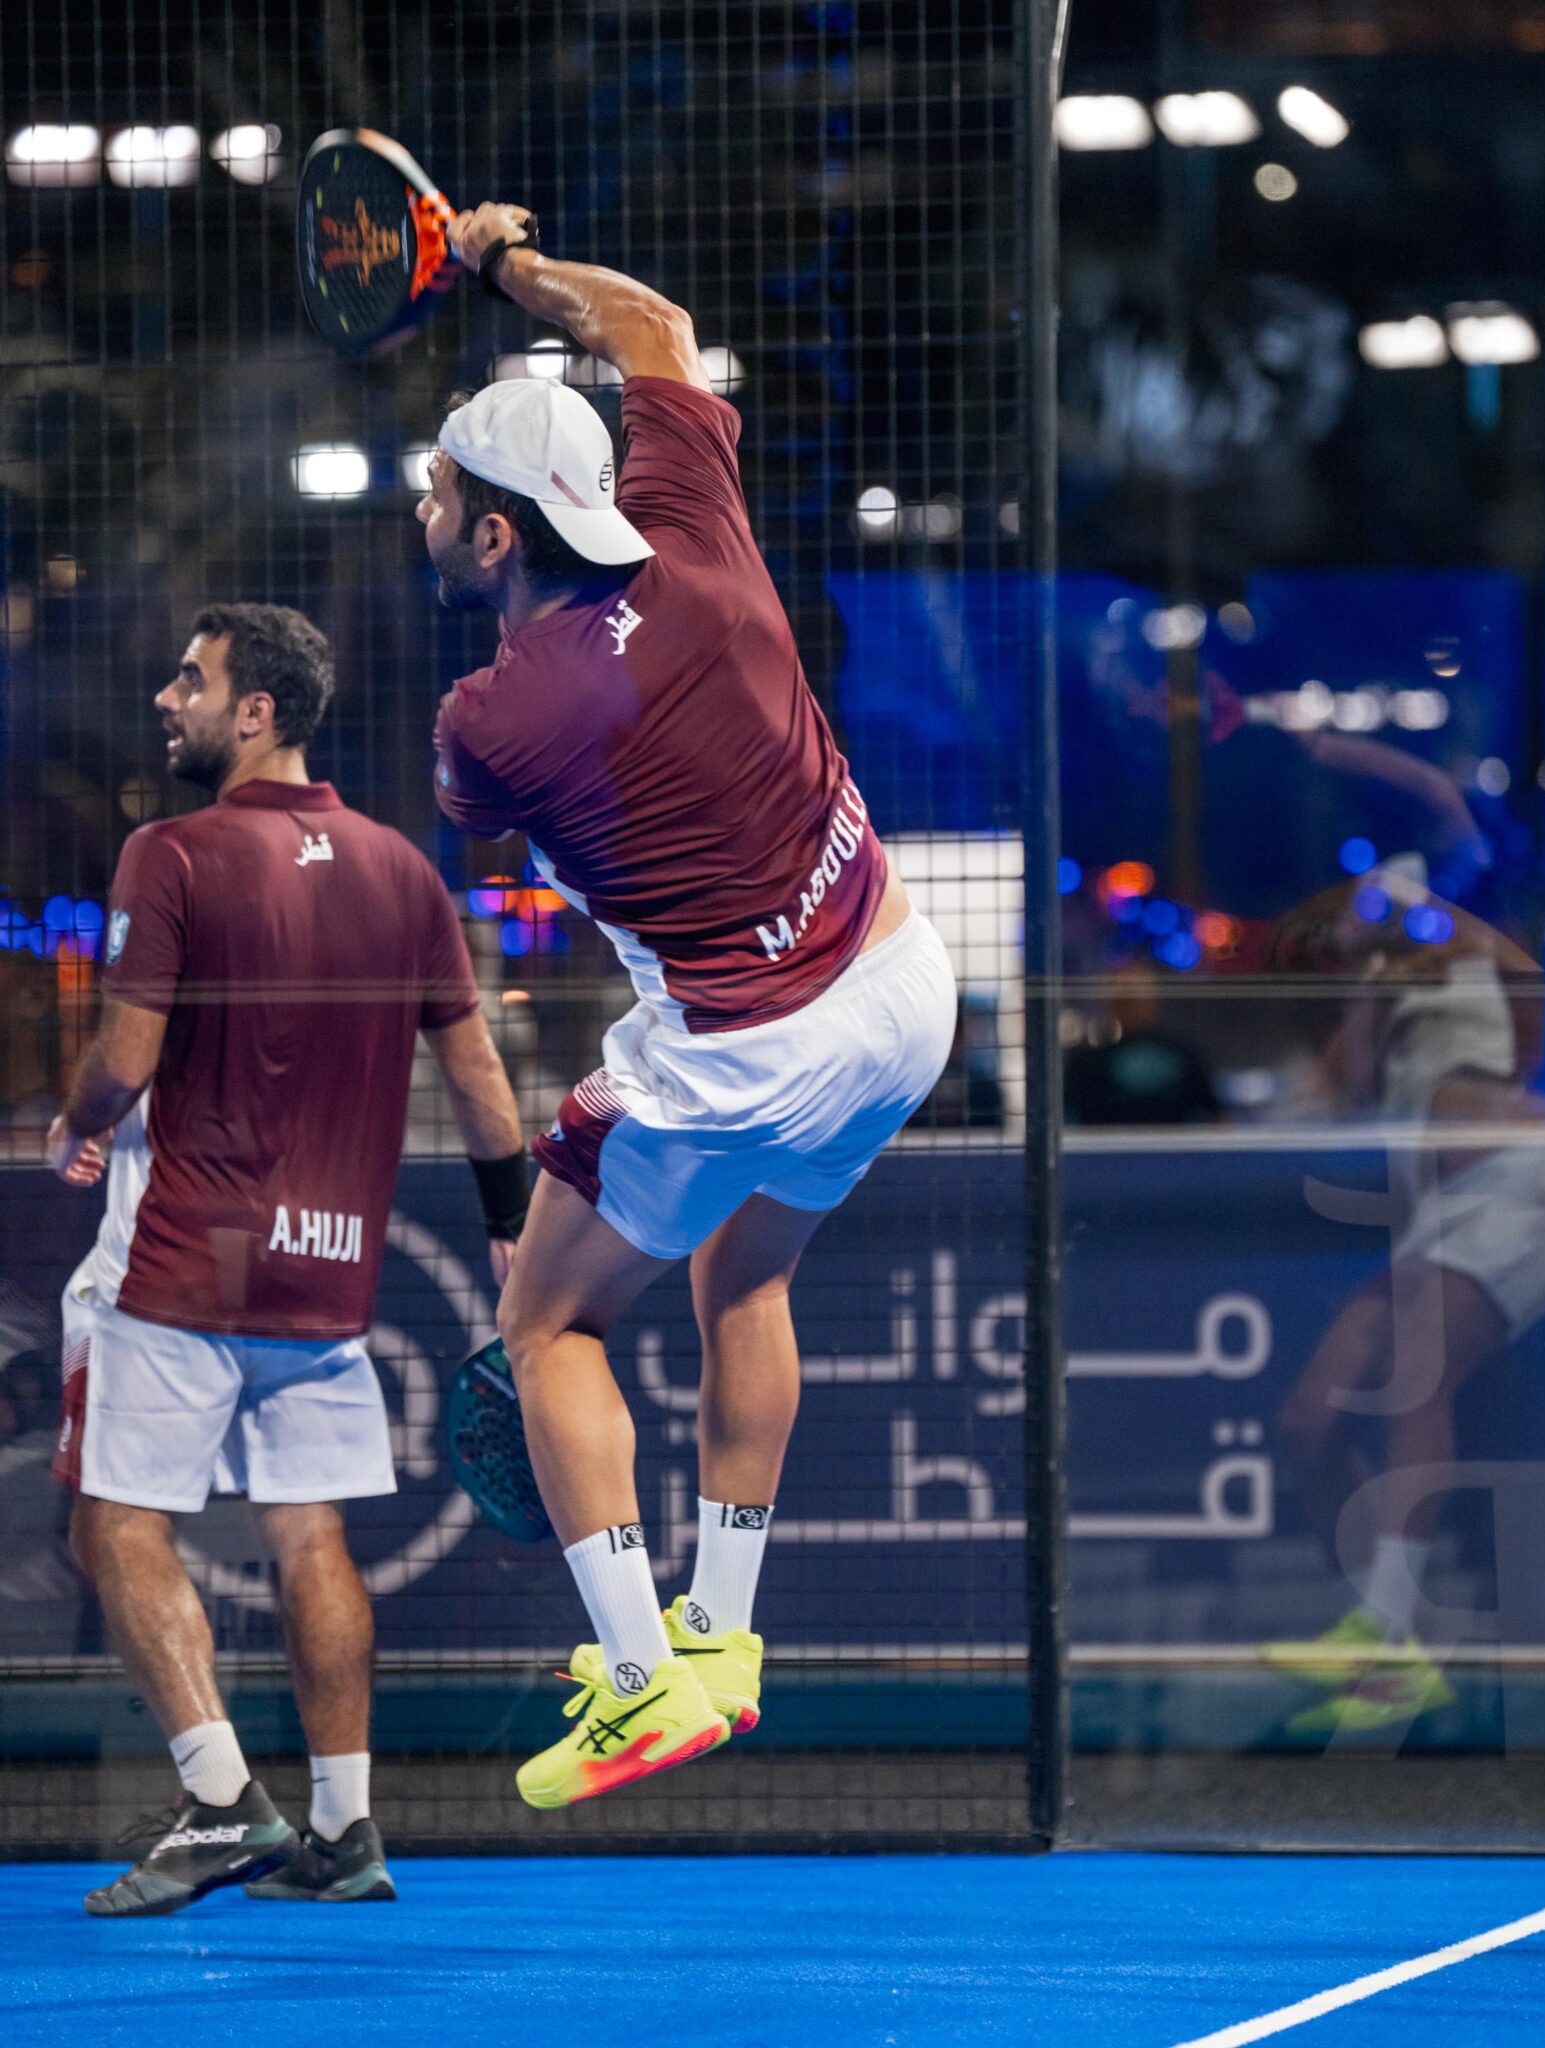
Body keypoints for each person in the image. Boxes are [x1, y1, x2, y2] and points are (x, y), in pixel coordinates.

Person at [419, 206, 957, 1807]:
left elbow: (498, 820)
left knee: (547, 1326)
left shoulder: (486, 721)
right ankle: (721, 1638)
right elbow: (651, 327)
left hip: (738, 1056)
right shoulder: (697, 525)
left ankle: (639, 1678)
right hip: (897, 988)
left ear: (497, 537)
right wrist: (509, 265)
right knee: (744, 1274)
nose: (424, 511)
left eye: (440, 494)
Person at [47, 605, 527, 1913]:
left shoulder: (171, 852)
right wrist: (511, 1224)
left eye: (190, 680)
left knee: (113, 1520)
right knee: (310, 1530)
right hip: (331, 1276)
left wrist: (75, 1125)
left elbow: (125, 1062)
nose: (168, 698)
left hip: (184, 1263)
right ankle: (344, 1827)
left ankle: (219, 1799)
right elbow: (481, 1084)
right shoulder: (405, 873)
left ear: (254, 711)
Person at [1258, 865, 1545, 1730]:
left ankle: (1387, 1639)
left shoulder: (1473, 962)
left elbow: (1527, 987)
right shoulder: (1373, 1005)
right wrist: (1367, 985)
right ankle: (1394, 1641)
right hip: (1444, 1217)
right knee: (1311, 1419)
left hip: (1535, 1186)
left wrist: (1430, 917)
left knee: (1418, 1375)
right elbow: (1344, 1090)